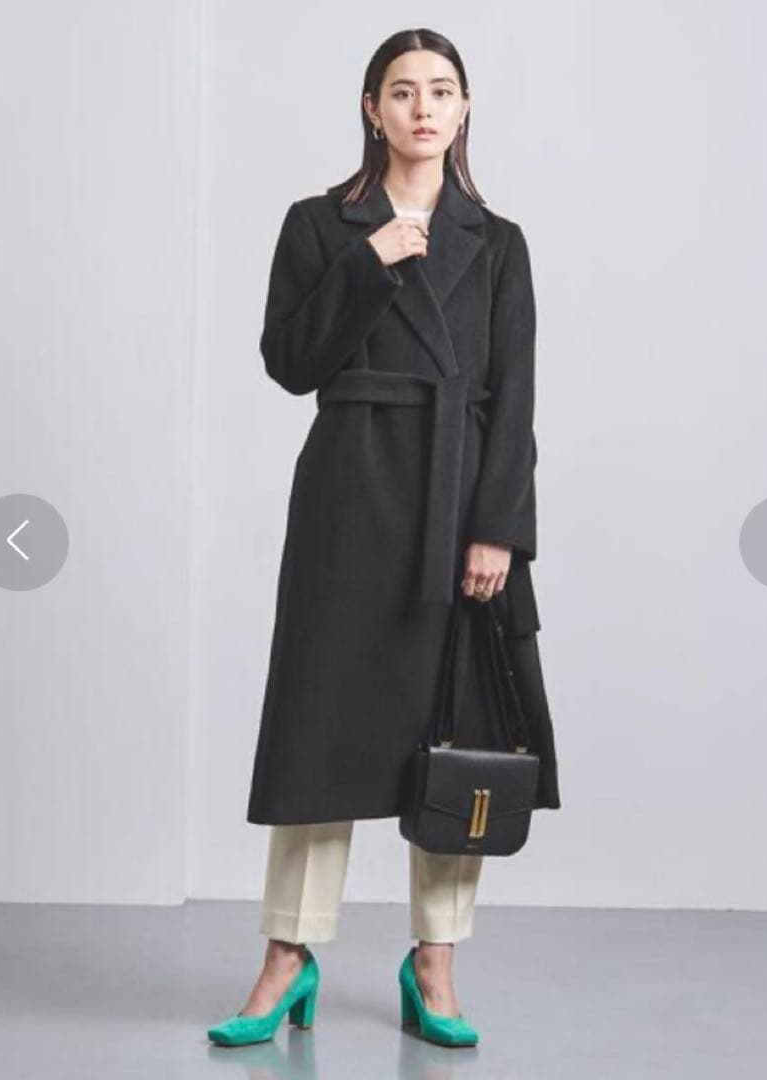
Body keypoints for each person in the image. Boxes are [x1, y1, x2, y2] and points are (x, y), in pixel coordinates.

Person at [208, 26, 560, 1051]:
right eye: (402, 91)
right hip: (349, 495)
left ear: (465, 107)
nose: (422, 108)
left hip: (454, 502)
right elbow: (289, 363)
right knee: (317, 730)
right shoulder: (321, 225)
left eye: (441, 90)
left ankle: (435, 963)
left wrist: (497, 528)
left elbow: (515, 396)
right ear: (372, 108)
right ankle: (287, 956)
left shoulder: (498, 242)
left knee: (454, 735)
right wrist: (368, 262)